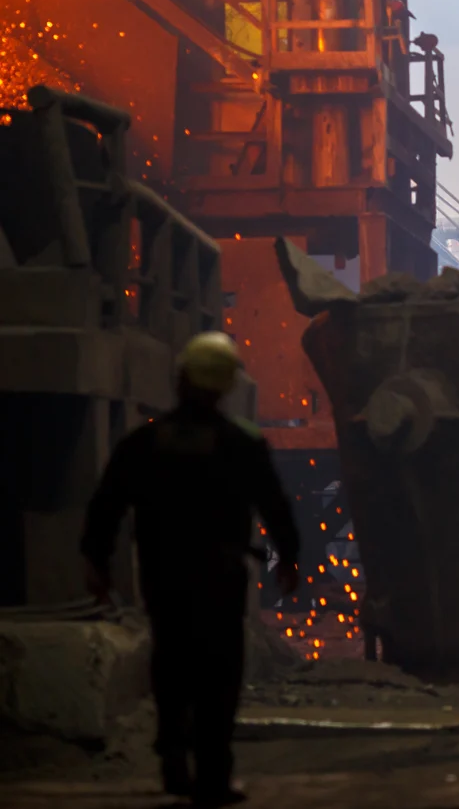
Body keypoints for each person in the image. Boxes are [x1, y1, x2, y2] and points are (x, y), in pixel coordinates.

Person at [80, 332, 300, 807]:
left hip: (163, 573)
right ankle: (213, 775)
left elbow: (106, 506)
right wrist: (291, 559)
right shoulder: (242, 443)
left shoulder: (143, 442)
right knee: (219, 671)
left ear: (180, 379)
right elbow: (274, 506)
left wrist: (95, 561)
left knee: (172, 661)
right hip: (220, 575)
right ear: (225, 387)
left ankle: (173, 759)